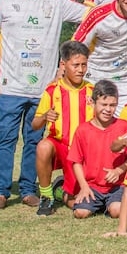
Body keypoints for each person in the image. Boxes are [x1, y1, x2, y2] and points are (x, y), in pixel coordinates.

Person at [0, 0, 88, 210]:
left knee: (34, 140)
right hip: (11, 84)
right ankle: (1, 191)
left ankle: (29, 189)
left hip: (43, 88)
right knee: (6, 139)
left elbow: (90, 14)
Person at [32, 41, 94, 216]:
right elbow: (35, 125)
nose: (80, 70)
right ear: (63, 64)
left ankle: (60, 190)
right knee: (43, 146)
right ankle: (46, 196)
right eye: (76, 65)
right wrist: (44, 117)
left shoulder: (92, 91)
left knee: (78, 202)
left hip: (82, 152)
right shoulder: (52, 91)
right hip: (60, 146)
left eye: (84, 65)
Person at [68, 80, 127, 219]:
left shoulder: (124, 127)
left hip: (118, 186)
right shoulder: (83, 130)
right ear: (92, 102)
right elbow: (76, 162)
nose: (108, 109)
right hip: (92, 186)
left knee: (117, 211)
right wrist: (84, 186)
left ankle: (110, 203)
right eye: (104, 104)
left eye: (112, 105)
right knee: (80, 213)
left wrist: (118, 170)